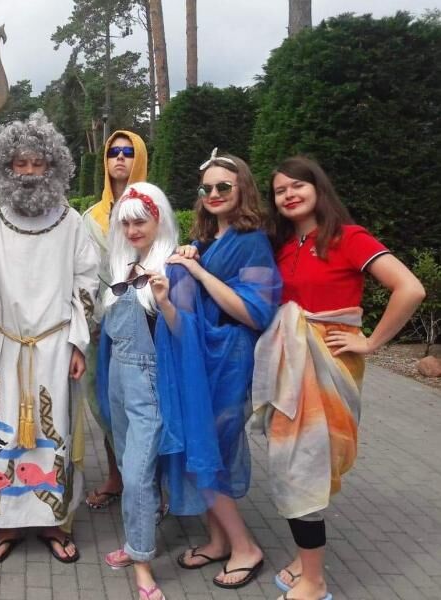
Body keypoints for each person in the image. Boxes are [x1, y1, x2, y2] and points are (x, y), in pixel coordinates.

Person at [252, 157, 424, 600]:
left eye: (297, 186)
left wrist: (371, 342)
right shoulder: (281, 245)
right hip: (288, 371)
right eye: (280, 190)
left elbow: (410, 288)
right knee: (296, 467)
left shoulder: (348, 238)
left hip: (330, 369)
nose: (289, 195)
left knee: (303, 469)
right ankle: (305, 561)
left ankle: (314, 581)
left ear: (318, 188)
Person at [0, 111, 99, 564]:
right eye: (21, 164)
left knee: (53, 437)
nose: (30, 172)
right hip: (7, 347)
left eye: (38, 163)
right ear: (5, 168)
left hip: (54, 348)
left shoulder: (70, 223)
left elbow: (86, 282)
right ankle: (5, 523)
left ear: (54, 166)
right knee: (4, 436)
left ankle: (53, 522)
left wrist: (77, 343)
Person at [163, 149, 280, 589]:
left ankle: (246, 548)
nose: (213, 194)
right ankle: (218, 541)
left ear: (242, 188)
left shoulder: (251, 241)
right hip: (203, 354)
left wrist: (198, 272)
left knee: (208, 452)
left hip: (229, 354)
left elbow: (255, 312)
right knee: (205, 448)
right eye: (206, 188)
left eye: (223, 186)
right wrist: (190, 259)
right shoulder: (208, 238)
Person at [98, 183, 176, 600]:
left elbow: (184, 331)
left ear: (158, 219)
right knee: (129, 467)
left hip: (147, 381)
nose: (132, 230)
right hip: (118, 378)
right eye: (125, 223)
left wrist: (166, 302)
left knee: (139, 475)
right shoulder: (125, 265)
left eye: (140, 222)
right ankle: (135, 544)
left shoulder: (173, 268)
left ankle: (143, 564)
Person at [81, 129, 148, 511]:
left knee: (142, 406)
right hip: (99, 326)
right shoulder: (91, 217)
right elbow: (83, 272)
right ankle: (116, 477)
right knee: (103, 402)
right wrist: (89, 317)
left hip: (142, 326)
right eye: (113, 152)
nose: (119, 158)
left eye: (128, 151)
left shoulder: (153, 208)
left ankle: (150, 487)